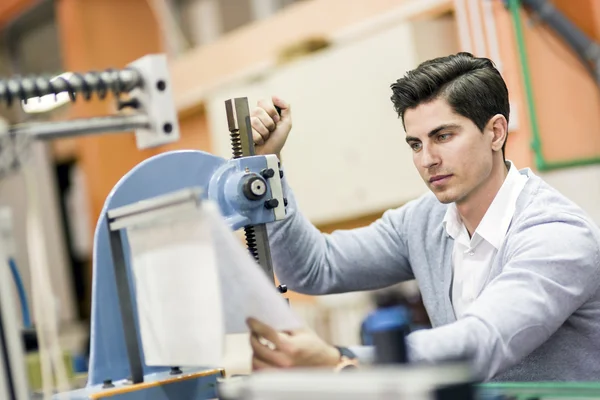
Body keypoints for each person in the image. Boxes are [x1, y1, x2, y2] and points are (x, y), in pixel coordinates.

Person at [244, 52, 600, 382]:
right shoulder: (424, 222)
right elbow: (314, 267)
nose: (427, 159)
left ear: (496, 132)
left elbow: (483, 341)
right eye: (415, 144)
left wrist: (340, 359)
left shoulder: (556, 234)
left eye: (442, 136)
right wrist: (267, 167)